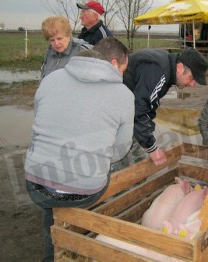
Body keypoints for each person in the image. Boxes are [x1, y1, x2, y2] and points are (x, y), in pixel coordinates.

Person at [24, 37, 134, 262]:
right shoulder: (124, 95)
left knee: (51, 201)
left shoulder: (50, 79)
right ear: (114, 64)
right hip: (85, 192)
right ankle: (84, 236)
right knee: (103, 171)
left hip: (36, 184)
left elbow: (37, 129)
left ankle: (53, 242)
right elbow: (121, 149)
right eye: (124, 69)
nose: (123, 75)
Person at [122, 48, 208, 167]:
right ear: (180, 68)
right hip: (112, 109)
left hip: (126, 107)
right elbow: (140, 108)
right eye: (192, 78)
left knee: (139, 145)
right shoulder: (159, 71)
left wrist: (148, 135)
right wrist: (151, 147)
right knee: (120, 157)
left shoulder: (166, 69)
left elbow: (150, 104)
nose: (192, 84)